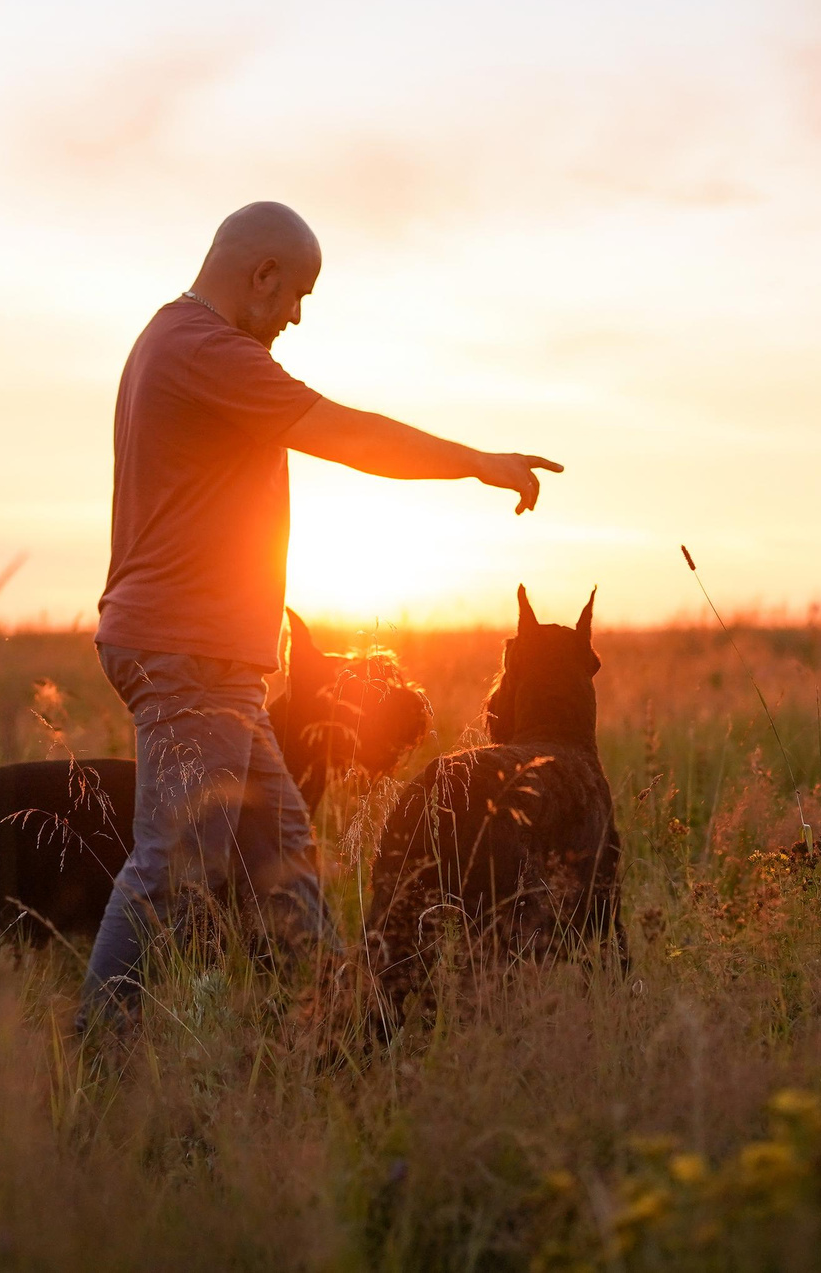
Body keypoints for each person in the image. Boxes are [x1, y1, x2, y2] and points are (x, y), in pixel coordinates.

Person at [78, 201, 562, 1031]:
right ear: (260, 276)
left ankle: (338, 1037)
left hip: (206, 657)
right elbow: (350, 435)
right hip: (185, 651)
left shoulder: (172, 339)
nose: (297, 314)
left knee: (283, 858)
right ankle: (94, 1062)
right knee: (171, 869)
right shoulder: (207, 350)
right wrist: (477, 463)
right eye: (296, 292)